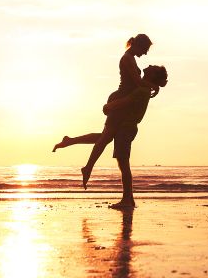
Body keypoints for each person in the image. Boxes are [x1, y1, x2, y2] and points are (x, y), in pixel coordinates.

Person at [55, 65, 168, 210]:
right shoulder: (143, 85)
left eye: (153, 68)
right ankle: (129, 199)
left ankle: (127, 199)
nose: (150, 65)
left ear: (153, 75)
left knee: (124, 165)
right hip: (124, 126)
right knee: (103, 138)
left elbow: (126, 101)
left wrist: (109, 106)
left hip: (126, 128)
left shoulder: (142, 90)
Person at [52, 34, 155, 188]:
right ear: (138, 45)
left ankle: (71, 142)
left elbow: (137, 83)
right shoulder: (127, 58)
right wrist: (153, 86)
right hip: (120, 101)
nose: (145, 53)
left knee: (105, 136)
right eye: (145, 49)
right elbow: (137, 81)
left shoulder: (131, 58)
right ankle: (87, 167)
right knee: (105, 138)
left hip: (122, 103)